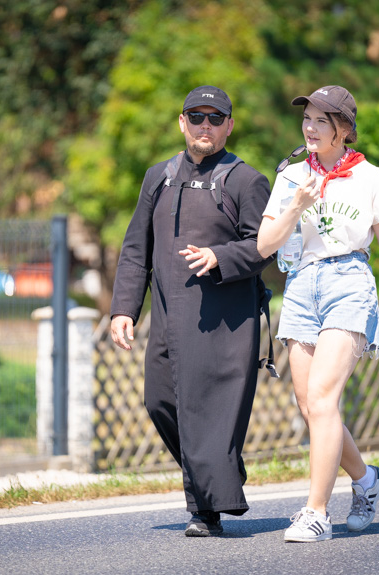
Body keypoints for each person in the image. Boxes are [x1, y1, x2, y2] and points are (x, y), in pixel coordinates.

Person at [257, 85, 379, 542]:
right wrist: (296, 204)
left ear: (345, 129)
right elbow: (264, 245)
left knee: (324, 398)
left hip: (348, 283)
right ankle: (368, 480)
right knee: (310, 406)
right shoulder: (291, 176)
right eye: (307, 119)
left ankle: (316, 512)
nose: (310, 127)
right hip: (300, 287)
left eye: (321, 120)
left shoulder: (371, 177)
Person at [110, 85, 274, 537]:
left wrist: (222, 256)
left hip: (223, 321)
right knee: (159, 401)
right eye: (196, 117)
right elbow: (134, 249)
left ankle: (207, 510)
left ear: (228, 126)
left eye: (214, 118)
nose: (205, 126)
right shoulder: (157, 176)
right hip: (167, 318)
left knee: (206, 412)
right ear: (182, 122)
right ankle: (218, 476)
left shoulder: (246, 180)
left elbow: (264, 246)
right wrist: (123, 309)